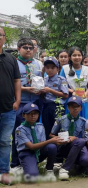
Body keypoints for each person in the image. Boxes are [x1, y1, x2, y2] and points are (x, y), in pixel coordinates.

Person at [10, 38, 43, 175]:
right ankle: (15, 164)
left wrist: (41, 89)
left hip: (35, 102)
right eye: (25, 47)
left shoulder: (38, 64)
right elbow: (11, 84)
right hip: (21, 102)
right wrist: (25, 89)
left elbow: (41, 80)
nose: (28, 50)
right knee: (18, 132)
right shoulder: (13, 63)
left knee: (35, 131)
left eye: (31, 47)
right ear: (19, 49)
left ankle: (35, 160)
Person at [15, 103, 63, 178]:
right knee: (32, 176)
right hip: (27, 153)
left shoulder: (40, 126)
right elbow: (31, 146)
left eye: (35, 113)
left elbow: (42, 143)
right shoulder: (20, 130)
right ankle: (25, 165)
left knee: (52, 147)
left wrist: (51, 141)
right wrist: (50, 140)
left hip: (39, 151)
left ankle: (49, 169)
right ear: (24, 115)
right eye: (30, 114)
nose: (33, 116)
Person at [50, 96, 88, 180]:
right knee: (79, 141)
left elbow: (86, 139)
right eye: (72, 106)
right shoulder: (61, 120)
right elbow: (51, 135)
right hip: (63, 146)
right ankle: (65, 169)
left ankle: (75, 165)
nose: (74, 109)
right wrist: (59, 138)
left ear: (81, 108)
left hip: (78, 146)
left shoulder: (83, 122)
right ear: (68, 107)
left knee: (86, 160)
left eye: (77, 106)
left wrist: (74, 138)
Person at [0, 27, 21, 185]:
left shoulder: (11, 59)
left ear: (4, 38)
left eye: (0, 35)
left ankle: (3, 172)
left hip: (8, 108)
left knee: (5, 141)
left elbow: (16, 81)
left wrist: (17, 101)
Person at [60, 46, 88, 119]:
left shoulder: (87, 69)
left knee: (85, 120)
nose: (77, 57)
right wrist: (72, 91)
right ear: (70, 57)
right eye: (74, 55)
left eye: (79, 55)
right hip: (71, 100)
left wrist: (86, 93)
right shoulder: (65, 68)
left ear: (82, 56)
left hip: (84, 100)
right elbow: (61, 84)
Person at [41, 57, 69, 139]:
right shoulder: (44, 79)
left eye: (52, 68)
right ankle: (49, 148)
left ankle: (59, 149)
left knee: (58, 128)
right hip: (46, 106)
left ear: (58, 69)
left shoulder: (61, 79)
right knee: (47, 127)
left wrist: (50, 90)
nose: (50, 70)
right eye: (47, 67)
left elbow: (65, 95)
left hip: (57, 107)